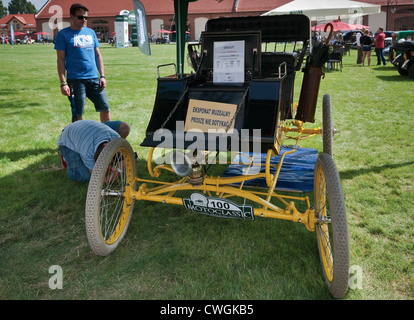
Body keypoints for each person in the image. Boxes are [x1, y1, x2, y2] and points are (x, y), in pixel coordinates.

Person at [54, 3, 111, 123]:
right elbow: (60, 60)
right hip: (75, 80)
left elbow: (98, 55)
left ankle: (107, 137)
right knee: (78, 112)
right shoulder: (63, 35)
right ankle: (77, 139)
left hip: (94, 78)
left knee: (105, 107)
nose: (84, 20)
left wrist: (102, 76)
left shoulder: (91, 32)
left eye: (86, 17)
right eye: (80, 17)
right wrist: (63, 83)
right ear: (72, 16)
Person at [58, 120, 130, 182]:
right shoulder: (87, 151)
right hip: (67, 138)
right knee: (85, 176)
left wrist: (118, 172)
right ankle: (65, 157)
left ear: (106, 144)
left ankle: (82, 161)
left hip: (86, 129)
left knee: (124, 128)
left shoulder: (115, 138)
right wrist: (106, 180)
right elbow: (95, 177)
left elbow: (123, 158)